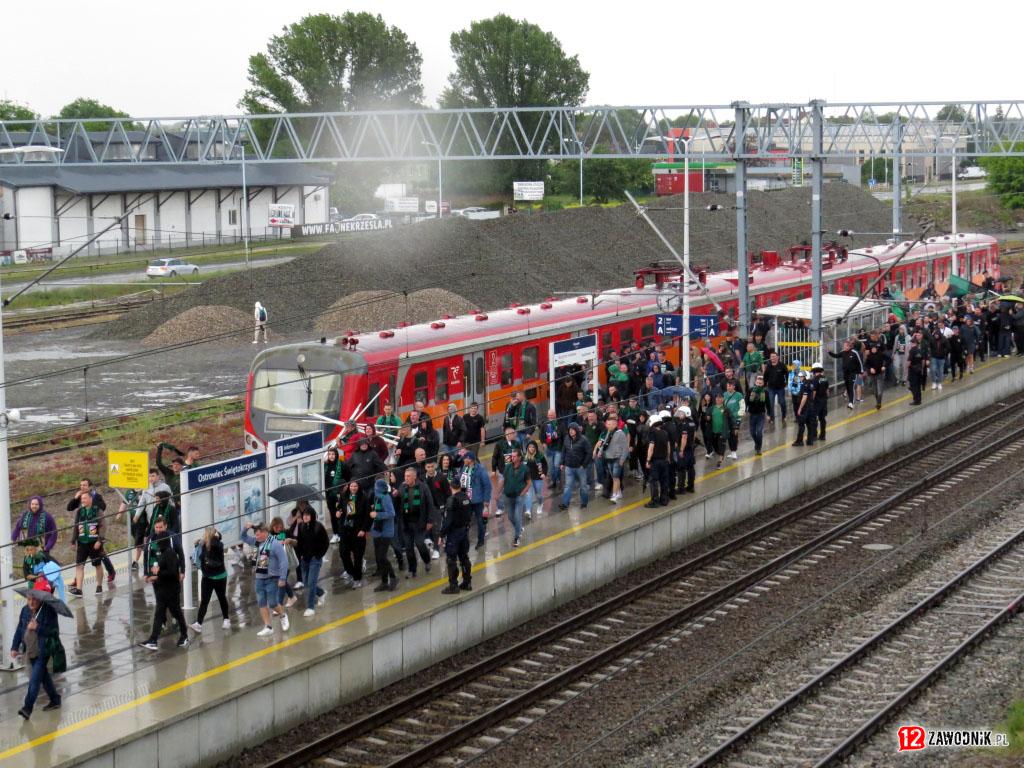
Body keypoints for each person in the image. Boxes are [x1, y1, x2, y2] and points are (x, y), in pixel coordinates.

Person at [11, 579, 61, 719]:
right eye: (29, 599)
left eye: (35, 600)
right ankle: (55, 699)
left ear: (41, 599)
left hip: (43, 650)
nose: (31, 602)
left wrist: (37, 627)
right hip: (30, 649)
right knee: (43, 676)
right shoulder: (25, 610)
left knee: (34, 680)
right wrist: (15, 647)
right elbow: (19, 629)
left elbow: (53, 632)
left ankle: (27, 708)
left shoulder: (49, 611)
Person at [139, 518, 189, 651]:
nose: (158, 531)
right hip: (161, 586)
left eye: (161, 528)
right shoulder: (156, 545)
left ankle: (184, 635)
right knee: (159, 613)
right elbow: (147, 556)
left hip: (171, 588)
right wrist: (151, 574)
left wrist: (158, 574)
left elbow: (172, 572)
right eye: (156, 528)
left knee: (176, 612)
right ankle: (153, 639)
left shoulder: (170, 553)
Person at [241, 521, 290, 636]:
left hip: (272, 578)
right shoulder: (255, 542)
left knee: (273, 603)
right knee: (261, 602)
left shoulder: (275, 544)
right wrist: (245, 528)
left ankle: (283, 615)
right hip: (259, 578)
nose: (256, 536)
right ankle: (268, 626)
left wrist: (282, 578)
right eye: (255, 534)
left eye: (258, 534)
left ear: (265, 533)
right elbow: (242, 537)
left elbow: (284, 562)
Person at [67, 479, 116, 585]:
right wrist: (75, 498)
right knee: (80, 560)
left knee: (101, 555)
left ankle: (111, 572)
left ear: (90, 486)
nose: (82, 487)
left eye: (84, 485)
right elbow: (69, 508)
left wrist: (91, 501)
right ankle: (77, 581)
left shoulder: (96, 496)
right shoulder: (79, 497)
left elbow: (103, 507)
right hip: (82, 532)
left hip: (94, 530)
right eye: (81, 485)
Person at [191, 527, 231, 632]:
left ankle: (226, 619)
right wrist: (198, 544)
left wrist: (215, 538)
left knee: (221, 598)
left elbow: (215, 548)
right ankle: (199, 623)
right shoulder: (204, 545)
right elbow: (200, 557)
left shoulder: (217, 545)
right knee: (205, 600)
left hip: (219, 576)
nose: (204, 536)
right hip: (207, 577)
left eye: (206, 535)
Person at [398, 467, 434, 577]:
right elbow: (398, 501)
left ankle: (427, 561)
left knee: (419, 544)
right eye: (405, 476)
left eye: (408, 476)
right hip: (406, 523)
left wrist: (429, 520)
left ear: (414, 477)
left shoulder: (423, 487)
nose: (406, 478)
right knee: (408, 547)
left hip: (420, 522)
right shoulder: (402, 487)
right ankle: (412, 569)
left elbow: (430, 504)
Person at [440, 477, 473, 594]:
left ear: (450, 487)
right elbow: (470, 514)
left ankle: (453, 585)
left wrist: (441, 534)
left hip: (454, 533)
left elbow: (448, 520)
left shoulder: (451, 500)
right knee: (464, 556)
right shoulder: (466, 497)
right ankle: (467, 582)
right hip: (464, 531)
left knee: (451, 559)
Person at [69, 489, 106, 597]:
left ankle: (99, 586)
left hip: (94, 543)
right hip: (82, 543)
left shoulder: (98, 511)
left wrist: (100, 540)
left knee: (97, 564)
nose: (83, 500)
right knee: (79, 565)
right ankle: (79, 590)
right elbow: (76, 526)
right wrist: (73, 541)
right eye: (81, 499)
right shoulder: (79, 511)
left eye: (85, 498)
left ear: (90, 499)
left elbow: (103, 526)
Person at [296, 507, 329, 617]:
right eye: (304, 515)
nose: (305, 517)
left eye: (308, 515)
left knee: (311, 583)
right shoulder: (301, 527)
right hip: (304, 559)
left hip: (315, 560)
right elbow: (299, 543)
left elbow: (326, 543)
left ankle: (310, 607)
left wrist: (318, 556)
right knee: (307, 583)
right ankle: (321, 593)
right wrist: (300, 555)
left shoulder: (318, 527)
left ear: (312, 516)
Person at [338, 481, 371, 587]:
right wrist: (338, 513)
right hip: (346, 529)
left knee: (357, 556)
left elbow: (367, 515)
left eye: (355, 486)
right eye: (351, 486)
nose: (353, 488)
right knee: (343, 553)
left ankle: (357, 578)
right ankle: (350, 571)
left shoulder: (364, 498)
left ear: (358, 487)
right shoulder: (344, 496)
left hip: (358, 531)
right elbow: (339, 508)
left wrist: (364, 529)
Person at [458, 452, 491, 549]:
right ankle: (465, 542)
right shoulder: (464, 468)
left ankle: (481, 540)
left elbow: (487, 485)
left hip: (478, 500)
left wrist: (486, 500)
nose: (464, 460)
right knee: (465, 522)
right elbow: (462, 482)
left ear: (470, 459)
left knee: (480, 522)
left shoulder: (480, 469)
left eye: (465, 458)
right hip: (467, 500)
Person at [371, 478, 398, 592]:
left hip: (386, 532)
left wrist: (377, 514)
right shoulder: (377, 497)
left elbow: (391, 513)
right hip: (377, 531)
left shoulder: (386, 497)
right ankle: (384, 582)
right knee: (379, 558)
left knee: (382, 557)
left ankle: (393, 577)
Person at [595, 414, 628, 503]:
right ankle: (619, 492)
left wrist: (622, 460)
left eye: (609, 424)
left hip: (617, 458)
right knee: (613, 477)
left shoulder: (620, 433)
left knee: (616, 477)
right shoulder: (608, 432)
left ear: (614, 424)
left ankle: (614, 495)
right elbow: (604, 443)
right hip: (608, 458)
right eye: (607, 424)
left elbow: (625, 448)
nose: (607, 426)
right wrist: (600, 452)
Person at [559, 422, 592, 511]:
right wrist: (562, 463)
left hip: (580, 468)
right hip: (569, 467)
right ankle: (565, 504)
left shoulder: (583, 440)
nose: (571, 432)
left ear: (577, 430)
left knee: (583, 487)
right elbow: (563, 451)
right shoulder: (566, 439)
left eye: (573, 430)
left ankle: (584, 503)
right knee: (568, 486)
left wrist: (584, 465)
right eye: (570, 430)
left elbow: (589, 453)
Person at [502, 448, 530, 547]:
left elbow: (528, 482)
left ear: (519, 457)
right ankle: (519, 528)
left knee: (517, 516)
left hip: (519, 496)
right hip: (508, 495)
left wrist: (523, 492)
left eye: (514, 456)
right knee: (510, 516)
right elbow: (503, 480)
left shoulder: (525, 469)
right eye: (511, 456)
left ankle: (517, 537)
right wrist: (498, 492)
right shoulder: (507, 467)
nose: (512, 458)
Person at [490, 426, 520, 517]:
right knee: (500, 490)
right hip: (504, 472)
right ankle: (500, 507)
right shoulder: (499, 444)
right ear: (507, 434)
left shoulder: (516, 443)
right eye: (513, 433)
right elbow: (494, 457)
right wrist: (493, 470)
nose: (514, 435)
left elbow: (520, 455)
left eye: (514, 433)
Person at [323, 446, 349, 544]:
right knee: (333, 514)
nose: (331, 456)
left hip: (339, 495)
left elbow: (348, 477)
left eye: (333, 454)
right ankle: (335, 534)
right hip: (329, 494)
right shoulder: (325, 465)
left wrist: (345, 487)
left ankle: (342, 533)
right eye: (329, 454)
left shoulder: (341, 465)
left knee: (341, 513)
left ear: (336, 455)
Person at [828, 341, 863, 409]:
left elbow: (860, 363)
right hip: (845, 373)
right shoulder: (843, 352)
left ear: (849, 346)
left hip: (853, 373)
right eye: (843, 346)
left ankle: (851, 402)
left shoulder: (854, 353)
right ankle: (850, 401)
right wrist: (829, 352)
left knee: (851, 386)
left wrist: (861, 372)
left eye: (845, 346)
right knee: (847, 387)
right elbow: (836, 356)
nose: (844, 347)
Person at [644, 415, 671, 507]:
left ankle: (654, 501)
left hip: (655, 461)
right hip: (664, 460)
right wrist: (668, 457)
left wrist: (648, 460)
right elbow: (668, 447)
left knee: (654, 481)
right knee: (664, 480)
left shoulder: (652, 433)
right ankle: (664, 500)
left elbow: (651, 448)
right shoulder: (665, 432)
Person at [539, 408, 565, 490]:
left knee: (557, 465)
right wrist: (543, 443)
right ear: (547, 415)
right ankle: (554, 482)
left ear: (555, 415)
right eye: (549, 415)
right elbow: (541, 436)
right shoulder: (545, 425)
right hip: (549, 449)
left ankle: (559, 480)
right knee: (551, 468)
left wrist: (558, 437)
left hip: (558, 448)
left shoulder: (560, 424)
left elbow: (564, 436)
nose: (550, 417)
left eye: (552, 415)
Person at [523, 440, 549, 514]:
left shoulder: (540, 455)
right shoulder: (525, 457)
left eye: (533, 447)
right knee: (528, 494)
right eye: (530, 447)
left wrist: (544, 473)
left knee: (538, 494)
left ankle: (540, 504)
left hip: (538, 478)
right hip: (529, 479)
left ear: (535, 448)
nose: (531, 448)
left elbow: (545, 465)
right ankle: (528, 511)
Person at [762, 352, 789, 425]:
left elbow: (787, 374)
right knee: (771, 404)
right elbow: (765, 376)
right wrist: (764, 385)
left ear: (778, 357)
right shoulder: (769, 366)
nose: (772, 358)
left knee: (782, 402)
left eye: (774, 356)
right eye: (771, 357)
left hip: (780, 388)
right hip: (771, 388)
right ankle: (772, 418)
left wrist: (786, 382)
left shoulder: (782, 365)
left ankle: (784, 416)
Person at [675, 406, 697, 494]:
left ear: (685, 413)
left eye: (681, 412)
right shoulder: (692, 423)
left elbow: (684, 437)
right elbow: (694, 435)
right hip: (691, 448)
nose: (680, 414)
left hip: (684, 449)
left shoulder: (684, 424)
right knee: (691, 467)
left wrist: (681, 450)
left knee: (681, 468)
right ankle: (691, 487)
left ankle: (681, 488)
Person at [745, 374, 768, 455]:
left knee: (759, 432)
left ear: (763, 384)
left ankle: (758, 448)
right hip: (752, 414)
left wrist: (769, 415)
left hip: (760, 414)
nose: (758, 385)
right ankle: (757, 443)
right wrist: (745, 409)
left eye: (760, 383)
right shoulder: (751, 390)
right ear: (755, 382)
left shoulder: (764, 392)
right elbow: (747, 401)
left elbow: (767, 403)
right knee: (752, 432)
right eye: (757, 383)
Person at [722, 380, 744, 460]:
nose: (729, 387)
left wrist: (738, 415)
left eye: (730, 386)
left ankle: (734, 452)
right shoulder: (724, 395)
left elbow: (742, 407)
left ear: (734, 386)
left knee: (734, 434)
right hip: (727, 419)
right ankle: (731, 451)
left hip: (735, 419)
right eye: (727, 386)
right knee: (728, 435)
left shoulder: (739, 395)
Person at [865, 342, 887, 409]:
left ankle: (879, 403)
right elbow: (866, 364)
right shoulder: (869, 356)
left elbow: (889, 359)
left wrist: (884, 366)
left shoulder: (881, 354)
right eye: (872, 349)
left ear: (876, 349)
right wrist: (870, 368)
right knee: (875, 391)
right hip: (872, 375)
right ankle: (878, 401)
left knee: (880, 390)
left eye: (874, 348)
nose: (873, 350)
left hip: (880, 374)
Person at [908, 336, 927, 405]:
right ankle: (919, 399)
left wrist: (907, 367)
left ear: (913, 343)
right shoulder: (920, 350)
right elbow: (923, 360)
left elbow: (909, 362)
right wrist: (922, 369)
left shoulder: (912, 350)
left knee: (913, 386)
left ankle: (916, 400)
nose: (910, 344)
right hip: (919, 370)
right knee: (918, 385)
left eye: (911, 343)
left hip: (913, 370)